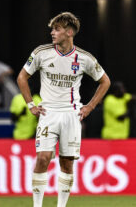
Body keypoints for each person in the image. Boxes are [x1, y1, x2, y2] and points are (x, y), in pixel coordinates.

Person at [17, 12, 110, 207]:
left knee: (67, 163)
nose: (52, 32)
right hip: (48, 113)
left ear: (69, 32)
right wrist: (31, 105)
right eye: (52, 29)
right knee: (42, 158)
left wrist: (90, 106)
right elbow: (22, 77)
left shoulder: (84, 58)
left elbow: (105, 81)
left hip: (71, 114)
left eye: (57, 29)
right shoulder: (41, 52)